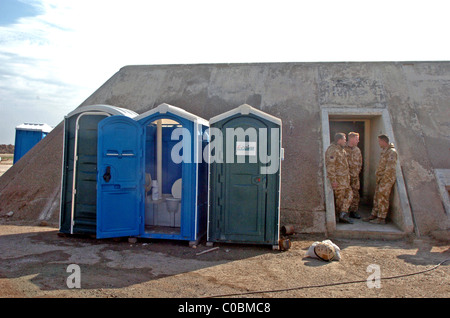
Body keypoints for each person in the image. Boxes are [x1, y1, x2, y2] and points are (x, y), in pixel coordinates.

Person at [365, 134, 398, 224]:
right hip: (381, 179)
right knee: (377, 197)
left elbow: (390, 169)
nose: (379, 143)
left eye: (379, 141)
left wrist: (384, 180)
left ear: (384, 141)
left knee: (383, 198)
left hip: (386, 180)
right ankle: (374, 214)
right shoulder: (384, 151)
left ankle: (381, 218)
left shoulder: (392, 152)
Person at [325, 133, 353, 224]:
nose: (345, 141)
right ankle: (340, 217)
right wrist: (333, 180)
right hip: (339, 180)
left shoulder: (342, 150)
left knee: (350, 195)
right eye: (344, 139)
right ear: (339, 140)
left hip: (345, 180)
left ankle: (343, 214)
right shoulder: (332, 150)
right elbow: (330, 166)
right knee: (339, 200)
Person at [345, 132, 362, 219]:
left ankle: (353, 211)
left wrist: (356, 172)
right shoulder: (343, 148)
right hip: (345, 177)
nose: (358, 141)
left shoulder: (357, 150)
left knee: (355, 194)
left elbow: (360, 163)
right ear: (351, 139)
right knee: (344, 194)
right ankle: (343, 212)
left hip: (355, 177)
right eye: (356, 139)